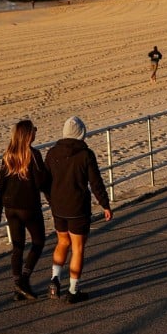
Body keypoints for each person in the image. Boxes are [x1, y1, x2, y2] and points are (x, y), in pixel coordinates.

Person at [44, 116, 113, 303]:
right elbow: (95, 182)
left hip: (58, 207)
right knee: (78, 248)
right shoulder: (86, 154)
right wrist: (105, 204)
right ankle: (73, 290)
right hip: (78, 208)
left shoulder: (52, 153)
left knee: (62, 242)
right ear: (82, 133)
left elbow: (45, 182)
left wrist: (52, 200)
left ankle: (55, 278)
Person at [0, 119, 49, 300]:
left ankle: (18, 287)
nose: (36, 132)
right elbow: (42, 182)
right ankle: (23, 279)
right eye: (34, 130)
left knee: (17, 247)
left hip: (10, 207)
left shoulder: (8, 155)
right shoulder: (33, 155)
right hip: (28, 206)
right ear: (28, 135)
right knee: (38, 242)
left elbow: (0, 185)